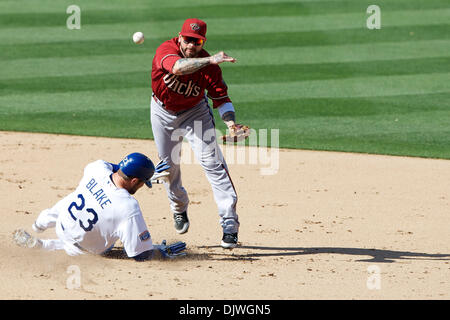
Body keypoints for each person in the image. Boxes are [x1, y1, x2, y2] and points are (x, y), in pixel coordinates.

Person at [151, 18, 246, 248]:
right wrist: (210, 59)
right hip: (162, 111)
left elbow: (222, 99)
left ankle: (230, 225)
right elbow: (176, 67)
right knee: (168, 166)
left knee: (214, 165)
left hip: (195, 113)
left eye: (197, 41)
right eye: (188, 40)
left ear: (202, 41)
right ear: (179, 37)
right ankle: (179, 206)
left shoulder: (210, 67)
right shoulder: (167, 49)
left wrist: (231, 123)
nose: (192, 45)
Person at [12, 152, 186, 261]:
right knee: (83, 244)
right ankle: (44, 246)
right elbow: (140, 255)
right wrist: (160, 252)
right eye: (143, 182)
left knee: (73, 198)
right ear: (134, 181)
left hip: (62, 222)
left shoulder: (96, 168)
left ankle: (39, 224)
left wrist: (142, 172)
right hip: (83, 248)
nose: (142, 186)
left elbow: (117, 168)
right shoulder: (128, 207)